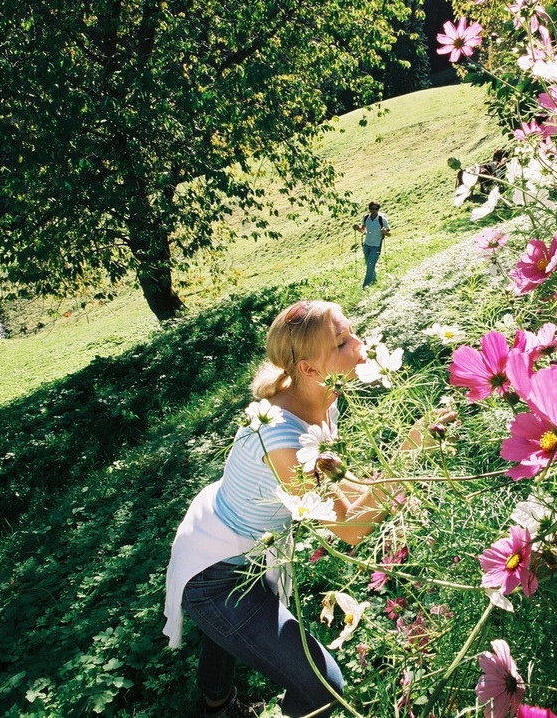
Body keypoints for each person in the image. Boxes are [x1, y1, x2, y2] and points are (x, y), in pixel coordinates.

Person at [163, 300, 450, 717]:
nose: (359, 344)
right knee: (325, 688)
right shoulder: (282, 440)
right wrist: (409, 454)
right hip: (214, 570)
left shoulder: (321, 398)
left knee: (224, 633)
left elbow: (343, 486)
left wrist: (390, 475)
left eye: (352, 332)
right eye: (341, 343)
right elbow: (351, 529)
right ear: (309, 369)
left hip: (238, 541)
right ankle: (218, 704)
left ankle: (214, 706)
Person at [354, 202, 390, 288]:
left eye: (376, 209)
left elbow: (389, 234)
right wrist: (357, 228)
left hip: (376, 246)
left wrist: (385, 232)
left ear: (378, 210)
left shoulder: (382, 220)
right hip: (366, 245)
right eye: (372, 209)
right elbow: (363, 231)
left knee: (370, 264)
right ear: (369, 209)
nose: (374, 211)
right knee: (369, 264)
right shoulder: (366, 218)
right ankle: (374, 280)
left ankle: (366, 285)